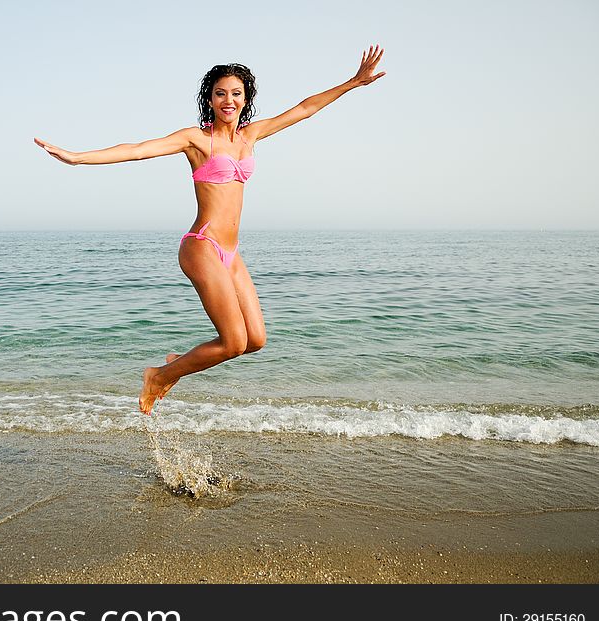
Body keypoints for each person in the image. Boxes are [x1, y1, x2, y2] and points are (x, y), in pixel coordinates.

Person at [35, 45, 385, 416]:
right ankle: (157, 375)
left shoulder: (250, 137)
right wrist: (77, 158)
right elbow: (139, 149)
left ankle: (178, 362)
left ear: (246, 98)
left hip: (231, 253)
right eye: (220, 93)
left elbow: (304, 108)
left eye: (236, 93)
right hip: (201, 245)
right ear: (210, 98)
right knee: (233, 342)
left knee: (255, 340)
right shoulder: (197, 140)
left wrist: (353, 82)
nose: (228, 100)